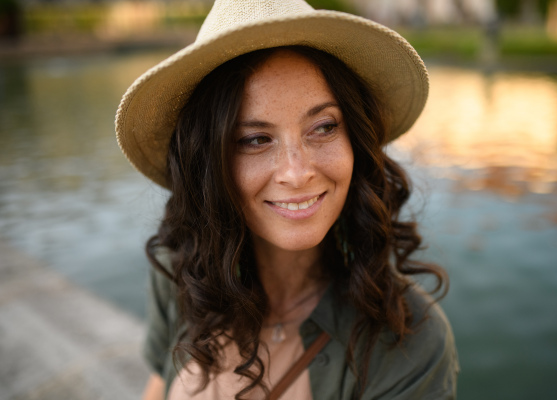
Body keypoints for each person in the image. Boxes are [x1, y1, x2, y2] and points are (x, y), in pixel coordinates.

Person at [115, 0, 459, 399]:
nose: (297, 172)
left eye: (324, 127)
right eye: (255, 139)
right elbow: (159, 381)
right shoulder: (181, 270)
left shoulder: (410, 342)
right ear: (208, 164)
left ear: (355, 141)